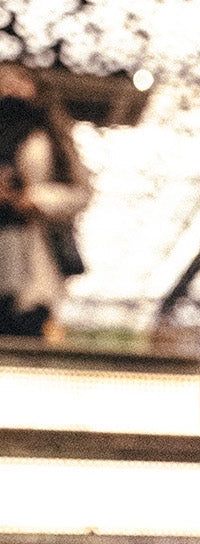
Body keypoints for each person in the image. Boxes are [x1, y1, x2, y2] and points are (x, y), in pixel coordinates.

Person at [0, 63, 88, 340]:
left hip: (30, 258)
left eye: (19, 79)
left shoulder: (50, 138)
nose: (10, 86)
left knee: (24, 329)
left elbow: (81, 193)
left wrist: (34, 198)